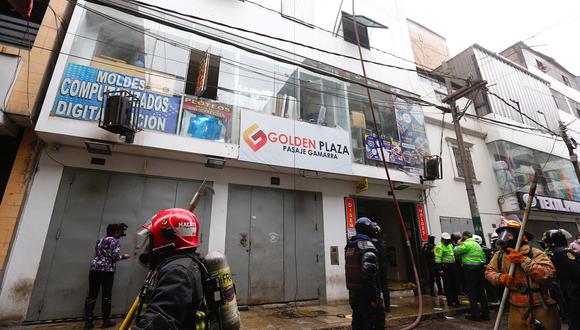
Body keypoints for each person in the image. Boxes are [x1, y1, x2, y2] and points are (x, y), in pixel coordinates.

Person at [133, 208, 205, 329]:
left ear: (167, 238)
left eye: (152, 238)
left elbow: (159, 324)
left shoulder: (177, 272)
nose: (149, 244)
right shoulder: (187, 262)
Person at [485, 215, 560, 330]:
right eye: (502, 234)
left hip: (540, 306)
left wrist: (523, 260)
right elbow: (489, 271)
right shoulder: (499, 256)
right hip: (515, 308)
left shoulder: (534, 253)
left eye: (509, 234)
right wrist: (500, 278)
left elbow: (549, 274)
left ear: (521, 237)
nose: (504, 238)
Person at [84, 223, 130, 329]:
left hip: (94, 269)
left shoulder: (100, 240)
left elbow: (98, 253)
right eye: (119, 232)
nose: (120, 234)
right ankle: (106, 321)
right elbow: (115, 257)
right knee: (106, 296)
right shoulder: (114, 241)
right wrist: (124, 256)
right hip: (107, 271)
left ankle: (88, 322)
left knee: (92, 295)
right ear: (116, 232)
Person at [345, 217, 385, 329]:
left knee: (357, 323)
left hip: (354, 294)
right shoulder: (367, 247)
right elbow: (369, 275)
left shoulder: (350, 246)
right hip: (367, 296)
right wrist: (374, 297)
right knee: (373, 323)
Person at [541, 229, 580, 330]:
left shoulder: (549, 253)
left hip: (562, 291)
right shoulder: (563, 253)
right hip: (574, 292)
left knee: (572, 319)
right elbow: (577, 272)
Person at [454, 231, 489, 321]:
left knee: (471, 291)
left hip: (470, 270)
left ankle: (475, 315)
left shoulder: (467, 244)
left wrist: (458, 244)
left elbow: (456, 251)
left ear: (464, 237)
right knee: (481, 292)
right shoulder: (477, 245)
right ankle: (486, 314)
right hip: (480, 269)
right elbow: (483, 257)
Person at [434, 232, 460, 307]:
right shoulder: (439, 246)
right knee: (448, 285)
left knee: (454, 284)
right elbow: (437, 258)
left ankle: (456, 300)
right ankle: (450, 301)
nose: (448, 241)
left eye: (448, 239)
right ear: (442, 239)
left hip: (453, 266)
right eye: (446, 240)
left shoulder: (450, 245)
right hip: (445, 267)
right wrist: (440, 269)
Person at [370, 222, 390, 312]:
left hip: (376, 267)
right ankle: (388, 306)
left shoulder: (371, 242)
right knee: (385, 286)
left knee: (376, 287)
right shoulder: (383, 242)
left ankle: (378, 306)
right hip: (383, 266)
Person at [474, 234, 498, 303]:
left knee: (486, 285)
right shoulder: (486, 249)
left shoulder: (483, 249)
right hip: (485, 268)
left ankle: (491, 299)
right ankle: (492, 299)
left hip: (484, 269)